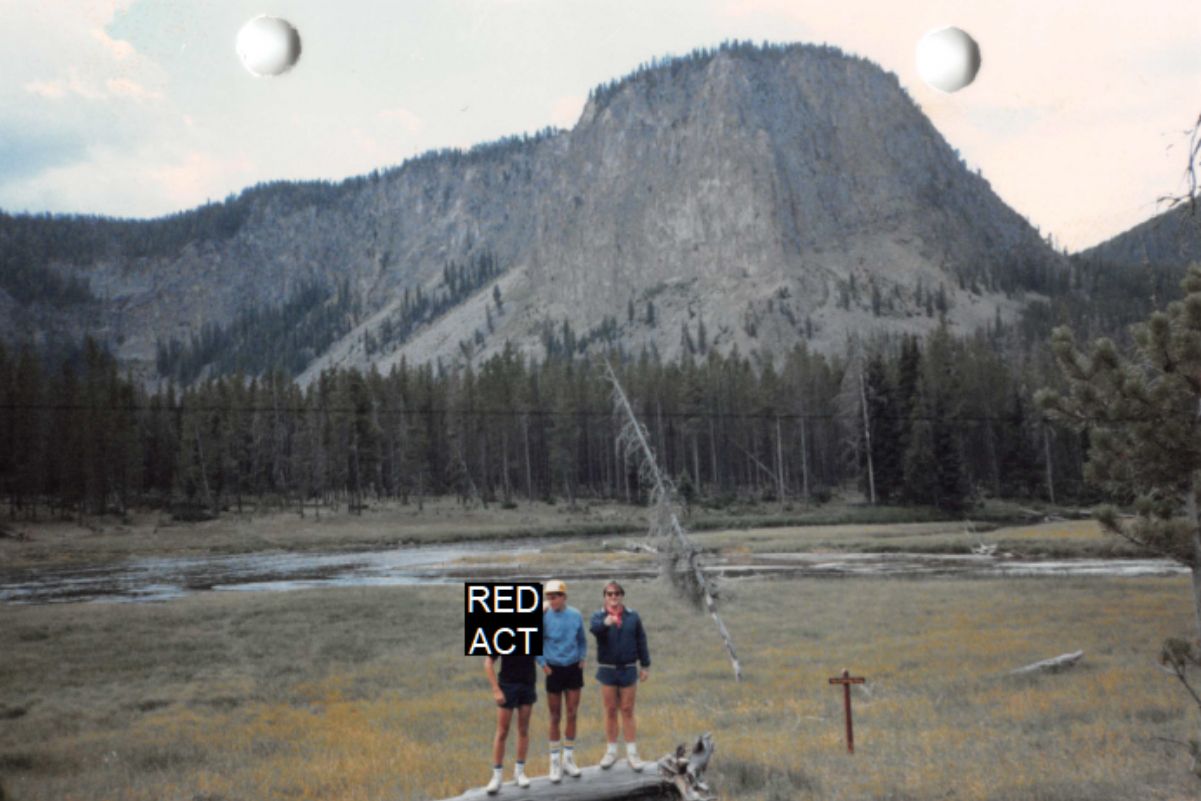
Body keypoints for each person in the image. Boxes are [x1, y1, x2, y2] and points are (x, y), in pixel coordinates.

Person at [589, 580, 650, 771]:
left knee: (627, 709)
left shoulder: (633, 616)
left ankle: (632, 753)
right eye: (609, 594)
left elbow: (641, 640)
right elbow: (594, 630)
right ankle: (611, 751)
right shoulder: (598, 616)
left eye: (616, 593)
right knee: (610, 710)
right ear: (605, 596)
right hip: (607, 669)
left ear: (622, 595)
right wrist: (606, 623)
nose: (613, 597)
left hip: (629, 668)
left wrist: (645, 665)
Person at [538, 578, 587, 782]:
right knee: (555, 716)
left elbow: (582, 640)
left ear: (564, 597)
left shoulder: (575, 615)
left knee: (572, 713)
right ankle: (554, 762)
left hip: (573, 668)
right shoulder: (544, 615)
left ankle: (568, 758)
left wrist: (583, 657)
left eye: (556, 596)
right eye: (549, 597)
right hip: (553, 670)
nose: (552, 600)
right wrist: (542, 663)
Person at [483, 649, 536, 794]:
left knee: (523, 729)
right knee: (502, 731)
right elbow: (488, 663)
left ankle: (519, 772)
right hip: (507, 686)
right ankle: (497, 776)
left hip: (527, 685)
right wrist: (496, 690)